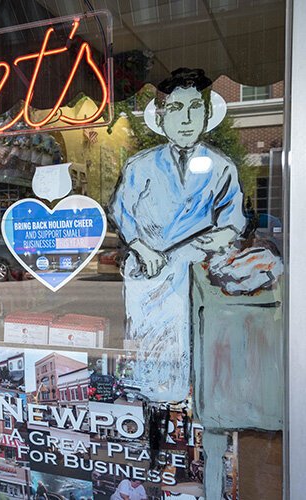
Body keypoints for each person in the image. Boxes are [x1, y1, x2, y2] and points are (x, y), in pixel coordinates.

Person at [109, 68, 246, 403]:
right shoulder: (140, 166)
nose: (186, 119)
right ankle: (152, 408)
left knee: (194, 347)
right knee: (150, 350)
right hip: (149, 273)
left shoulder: (220, 166)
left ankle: (189, 409)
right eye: (175, 109)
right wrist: (141, 248)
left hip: (194, 271)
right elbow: (120, 210)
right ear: (161, 117)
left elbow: (234, 218)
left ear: (207, 114)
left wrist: (222, 236)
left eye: (194, 108)